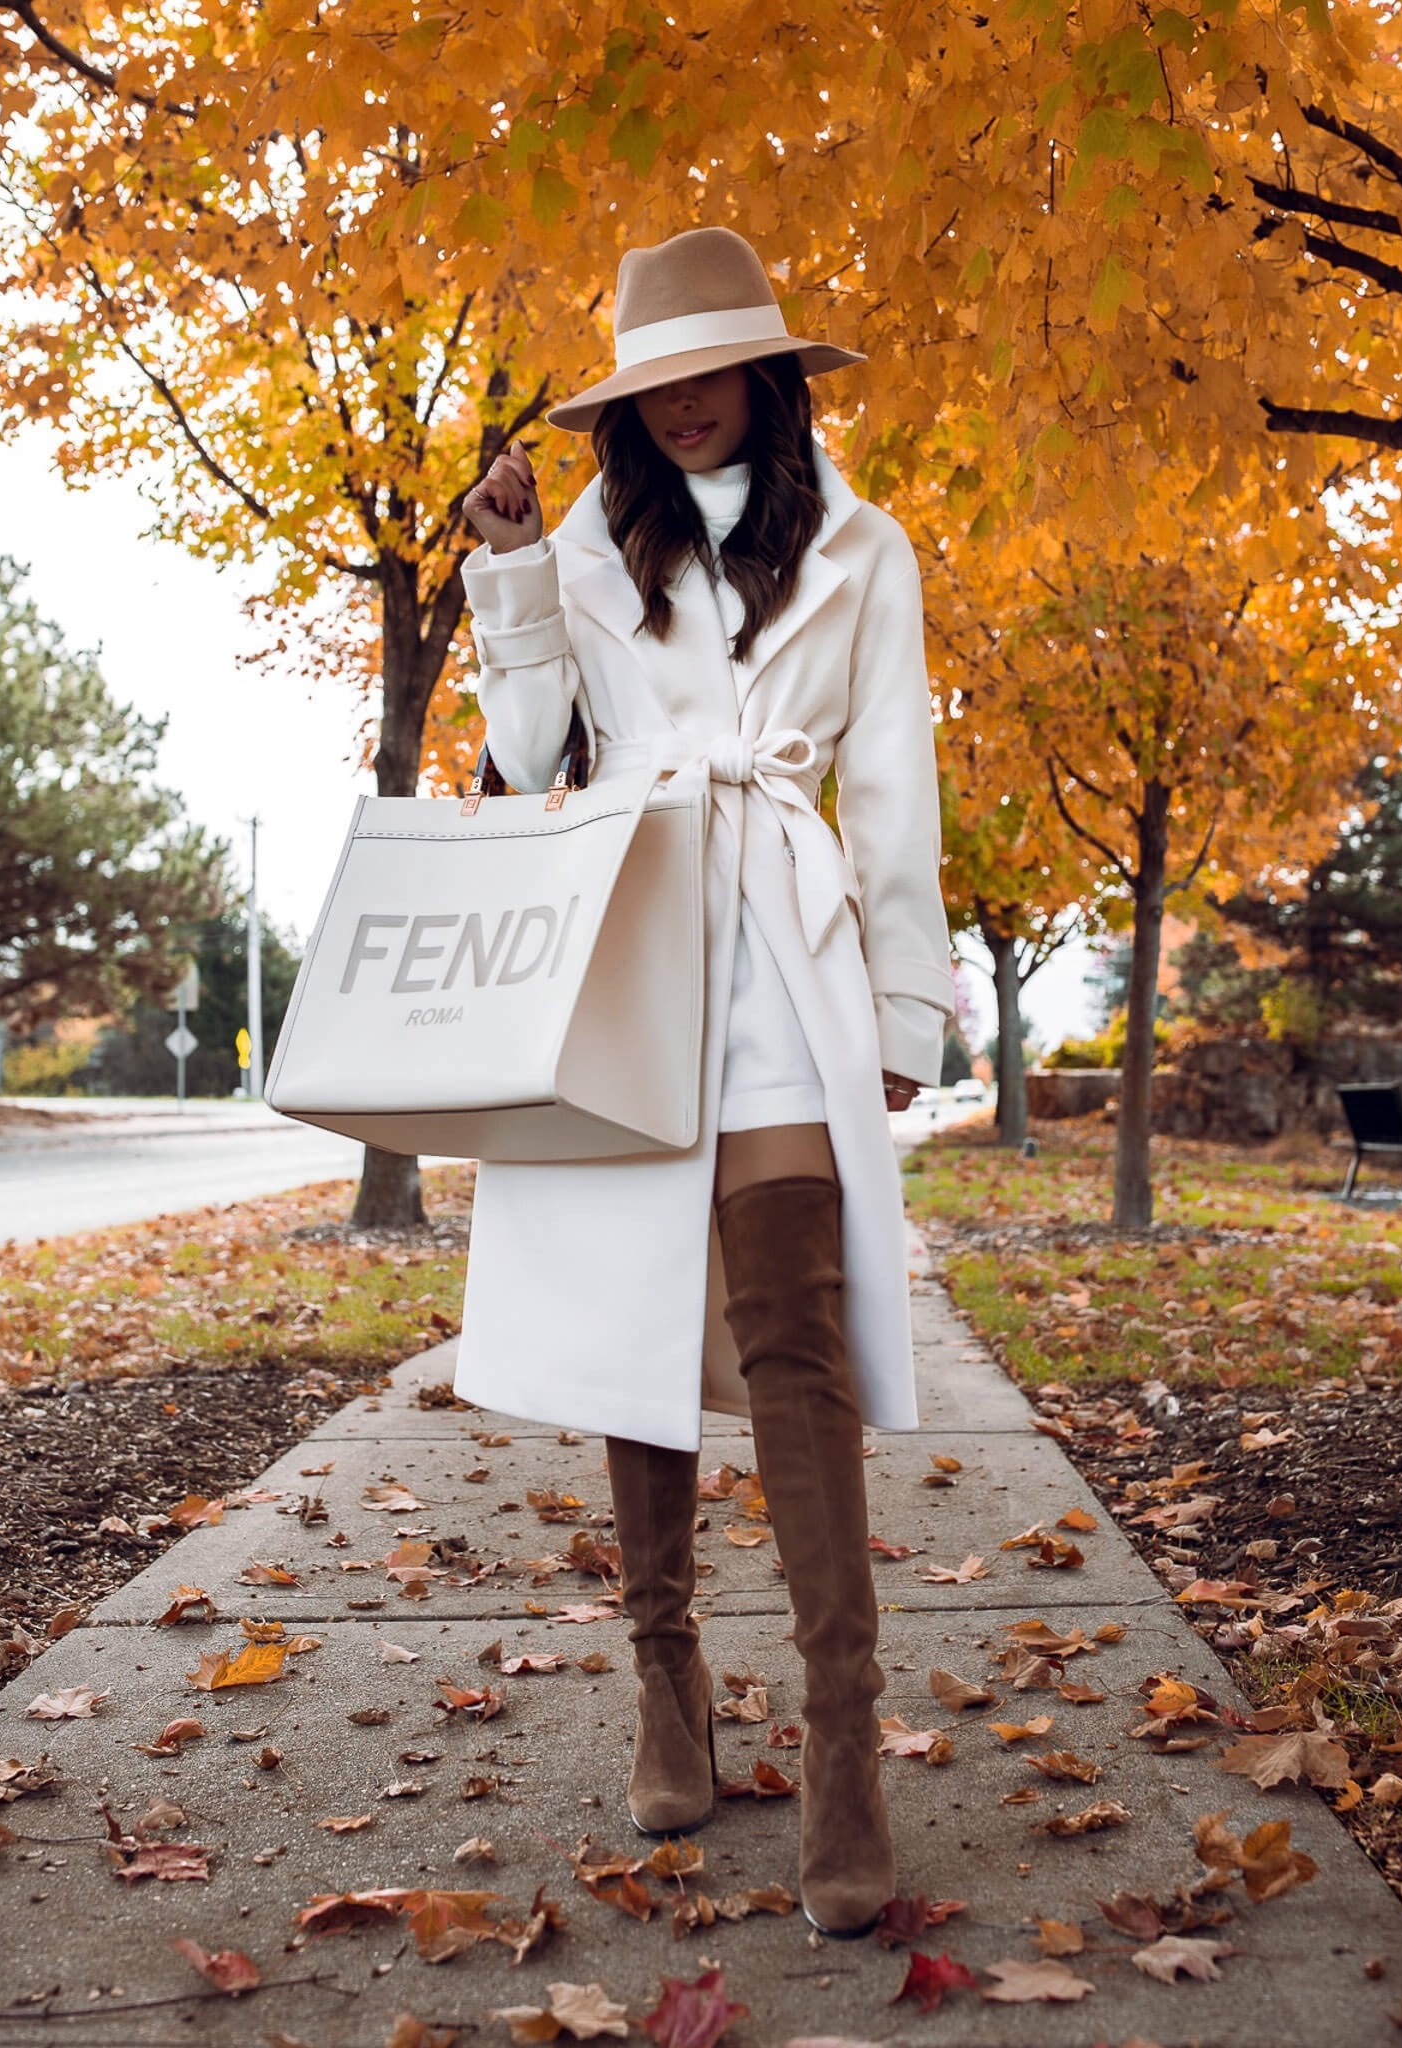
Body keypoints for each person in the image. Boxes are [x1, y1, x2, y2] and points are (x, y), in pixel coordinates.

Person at [456, 226, 953, 1938]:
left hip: (788, 978)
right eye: (651, 380)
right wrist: (512, 579)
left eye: (708, 369)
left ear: (766, 378)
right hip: (633, 958)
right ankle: (668, 1691)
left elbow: (889, 784)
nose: (680, 404)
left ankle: (840, 1755)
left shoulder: (866, 551)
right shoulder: (586, 554)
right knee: (636, 1332)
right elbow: (529, 764)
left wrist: (902, 1006)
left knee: (794, 1337)